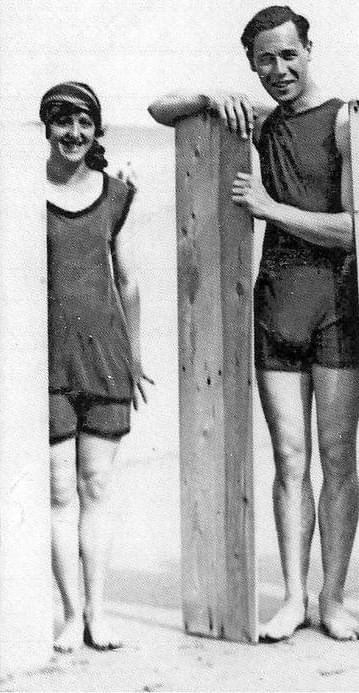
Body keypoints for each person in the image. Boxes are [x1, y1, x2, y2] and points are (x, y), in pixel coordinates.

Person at [148, 5, 359, 642]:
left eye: (289, 54)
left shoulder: (345, 120)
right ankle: (294, 598)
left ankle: (334, 598)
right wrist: (208, 95)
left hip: (336, 309)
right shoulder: (264, 121)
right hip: (274, 308)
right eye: (265, 59)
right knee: (289, 461)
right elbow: (162, 109)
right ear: (252, 63)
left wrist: (270, 208)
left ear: (309, 50)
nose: (279, 69)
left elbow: (354, 229)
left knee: (338, 459)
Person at [44, 81, 152, 652]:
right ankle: (68, 613)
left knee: (97, 485)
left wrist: (135, 358)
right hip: (46, 366)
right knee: (60, 492)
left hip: (105, 361)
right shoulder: (21, 194)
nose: (74, 133)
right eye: (63, 121)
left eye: (84, 122)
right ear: (47, 126)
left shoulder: (119, 195)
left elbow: (130, 284)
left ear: (97, 130)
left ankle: (99, 613)